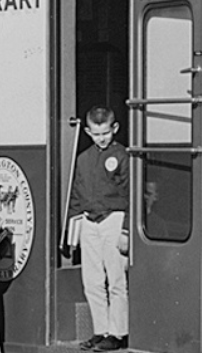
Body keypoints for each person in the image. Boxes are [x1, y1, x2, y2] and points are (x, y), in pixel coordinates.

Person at [69, 106, 129, 351]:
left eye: (105, 133)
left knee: (116, 279)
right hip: (88, 221)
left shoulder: (123, 155)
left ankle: (118, 332)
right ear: (87, 131)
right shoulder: (83, 158)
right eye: (96, 134)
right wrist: (74, 227)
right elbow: (76, 194)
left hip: (113, 219)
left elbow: (131, 194)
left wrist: (125, 230)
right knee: (92, 280)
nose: (101, 138)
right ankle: (100, 330)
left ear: (114, 128)